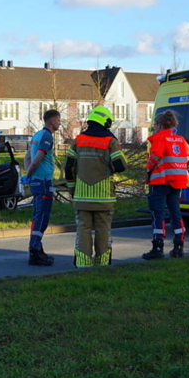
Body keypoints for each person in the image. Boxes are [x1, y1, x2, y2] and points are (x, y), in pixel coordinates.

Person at [64, 106, 127, 267]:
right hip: (104, 196)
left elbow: (68, 167)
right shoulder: (110, 141)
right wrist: (107, 168)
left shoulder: (78, 140)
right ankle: (102, 263)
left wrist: (72, 189)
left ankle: (83, 263)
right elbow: (120, 165)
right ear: (105, 122)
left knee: (83, 229)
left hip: (82, 196)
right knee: (103, 229)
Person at [143, 109, 189, 260]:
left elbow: (156, 155)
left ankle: (158, 247)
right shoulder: (179, 139)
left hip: (161, 180)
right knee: (175, 213)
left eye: (154, 125)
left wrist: (148, 168)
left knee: (157, 213)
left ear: (159, 125)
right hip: (178, 180)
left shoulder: (160, 138)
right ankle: (179, 246)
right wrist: (177, 165)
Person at [22, 109, 61, 265]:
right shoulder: (46, 137)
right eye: (58, 120)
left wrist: (27, 175)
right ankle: (35, 251)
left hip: (37, 182)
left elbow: (27, 157)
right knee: (42, 217)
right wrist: (30, 173)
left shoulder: (37, 135)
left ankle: (38, 249)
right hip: (43, 181)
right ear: (52, 121)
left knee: (37, 216)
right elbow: (36, 160)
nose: (59, 123)